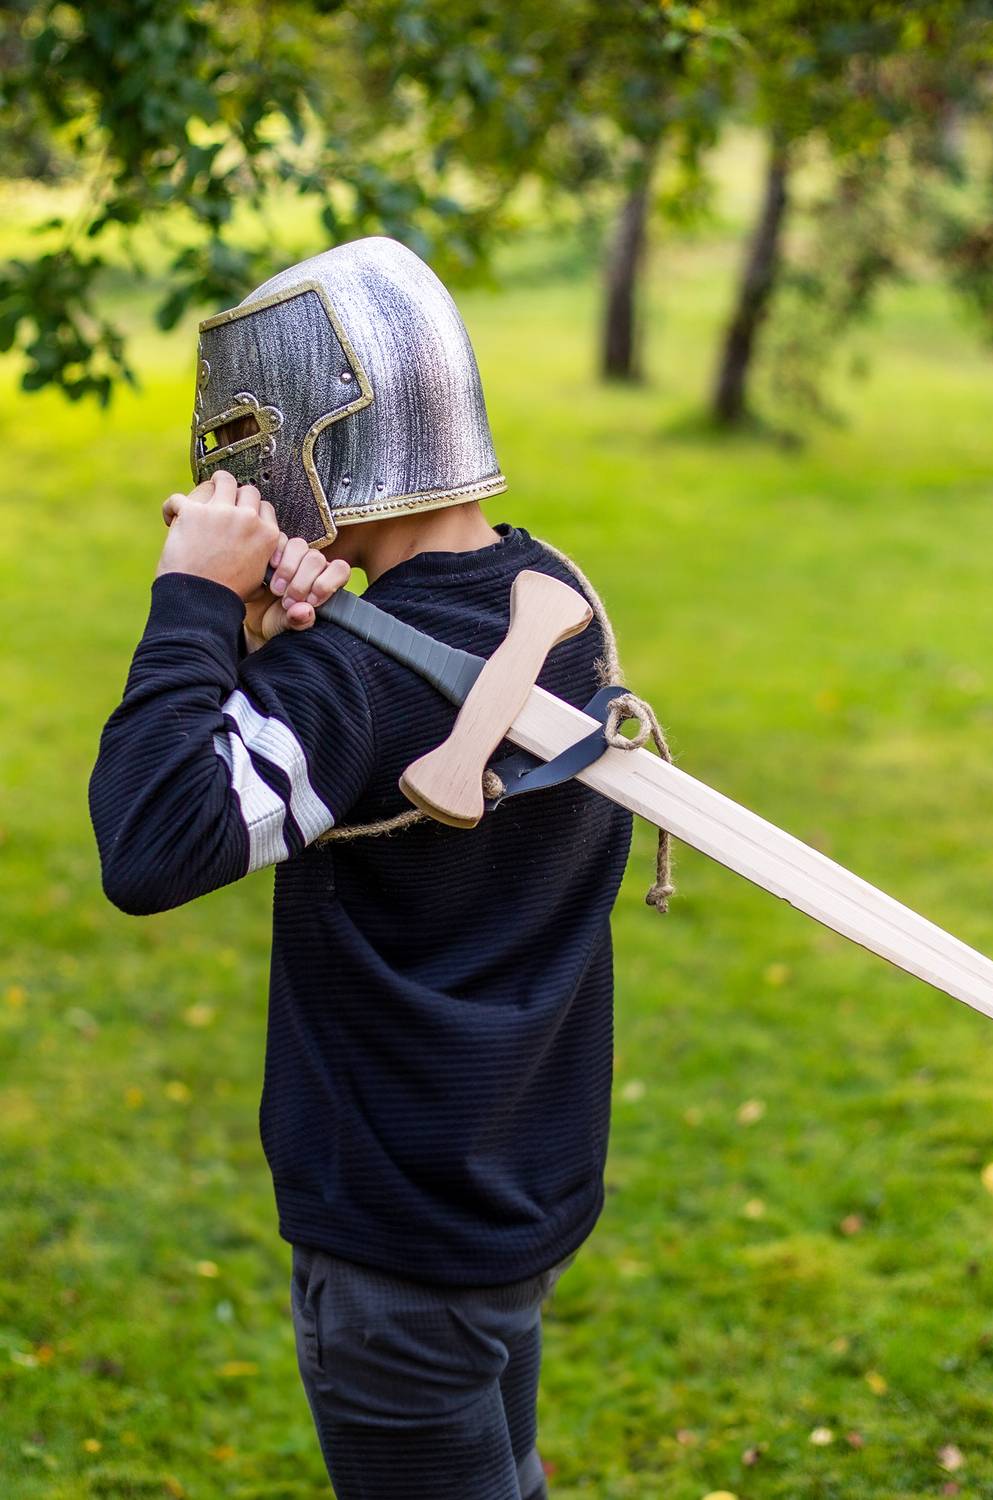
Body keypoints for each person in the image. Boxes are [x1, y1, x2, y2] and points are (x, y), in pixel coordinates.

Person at [88, 238, 633, 1500]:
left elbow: (148, 841)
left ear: (306, 437)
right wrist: (280, 636)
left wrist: (194, 608)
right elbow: (384, 697)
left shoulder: (351, 678)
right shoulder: (547, 591)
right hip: (517, 1193)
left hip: (396, 1248)